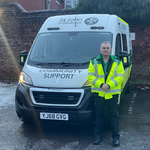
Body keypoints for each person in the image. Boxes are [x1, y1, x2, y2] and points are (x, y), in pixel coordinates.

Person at [88, 41, 124, 146]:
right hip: (99, 93)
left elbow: (120, 76)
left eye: (107, 48)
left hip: (112, 93)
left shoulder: (118, 62)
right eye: (103, 48)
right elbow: (90, 76)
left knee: (113, 116)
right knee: (99, 115)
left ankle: (116, 138)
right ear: (100, 49)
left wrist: (109, 85)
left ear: (111, 49)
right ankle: (98, 137)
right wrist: (101, 85)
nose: (105, 50)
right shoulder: (93, 62)